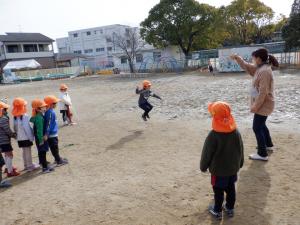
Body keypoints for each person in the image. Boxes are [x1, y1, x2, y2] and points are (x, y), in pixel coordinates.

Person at [231, 48, 279, 161]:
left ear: (258, 59)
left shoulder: (264, 71)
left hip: (264, 104)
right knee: (262, 125)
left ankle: (262, 154)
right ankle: (268, 145)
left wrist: (255, 107)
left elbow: (263, 92)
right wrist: (238, 58)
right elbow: (246, 66)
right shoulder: (260, 68)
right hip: (264, 104)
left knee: (256, 127)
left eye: (253, 58)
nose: (252, 60)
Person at [200, 101, 244, 220]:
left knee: (218, 191)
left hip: (218, 171)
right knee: (231, 189)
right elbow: (240, 149)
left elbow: (206, 153)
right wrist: (240, 163)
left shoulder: (213, 135)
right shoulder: (236, 132)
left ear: (215, 117)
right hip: (232, 169)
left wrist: (203, 166)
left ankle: (217, 210)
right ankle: (230, 208)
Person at [12, 98, 39, 171]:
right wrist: (31, 137)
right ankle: (29, 166)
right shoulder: (25, 116)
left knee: (24, 151)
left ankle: (26, 165)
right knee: (28, 152)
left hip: (20, 138)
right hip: (26, 137)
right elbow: (27, 128)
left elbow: (15, 128)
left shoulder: (15, 117)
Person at [30, 99, 54, 173]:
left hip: (39, 137)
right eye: (42, 107)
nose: (44, 108)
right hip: (40, 138)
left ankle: (44, 164)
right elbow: (39, 130)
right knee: (42, 152)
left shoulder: (38, 116)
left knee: (41, 151)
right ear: (38, 109)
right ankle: (44, 167)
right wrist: (41, 140)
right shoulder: (39, 118)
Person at [44, 95, 68, 166]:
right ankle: (58, 160)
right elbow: (48, 124)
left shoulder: (50, 111)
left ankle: (57, 158)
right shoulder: (50, 112)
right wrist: (47, 134)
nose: (56, 104)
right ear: (51, 104)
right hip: (51, 134)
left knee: (55, 147)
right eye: (55, 103)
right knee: (54, 147)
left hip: (53, 133)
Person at [0, 101, 20, 177]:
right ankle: (10, 171)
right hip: (4, 140)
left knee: (6, 154)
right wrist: (14, 135)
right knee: (9, 154)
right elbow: (7, 130)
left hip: (1, 140)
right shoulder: (3, 118)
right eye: (5, 109)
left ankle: (8, 168)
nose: (6, 110)